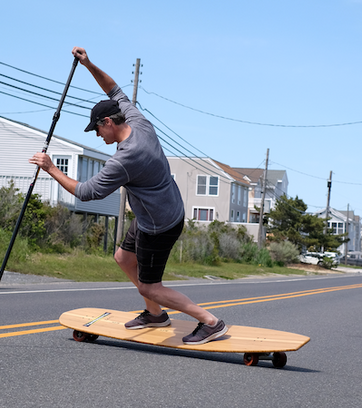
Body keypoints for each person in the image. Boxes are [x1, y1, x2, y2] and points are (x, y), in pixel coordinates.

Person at [29, 47, 228, 345]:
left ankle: (210, 323)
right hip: (158, 211)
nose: (98, 136)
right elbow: (113, 88)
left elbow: (86, 192)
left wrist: (50, 168)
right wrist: (88, 64)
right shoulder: (137, 120)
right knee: (123, 257)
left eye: (97, 130)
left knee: (150, 286)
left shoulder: (126, 159)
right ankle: (156, 315)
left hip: (159, 224)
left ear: (108, 122)